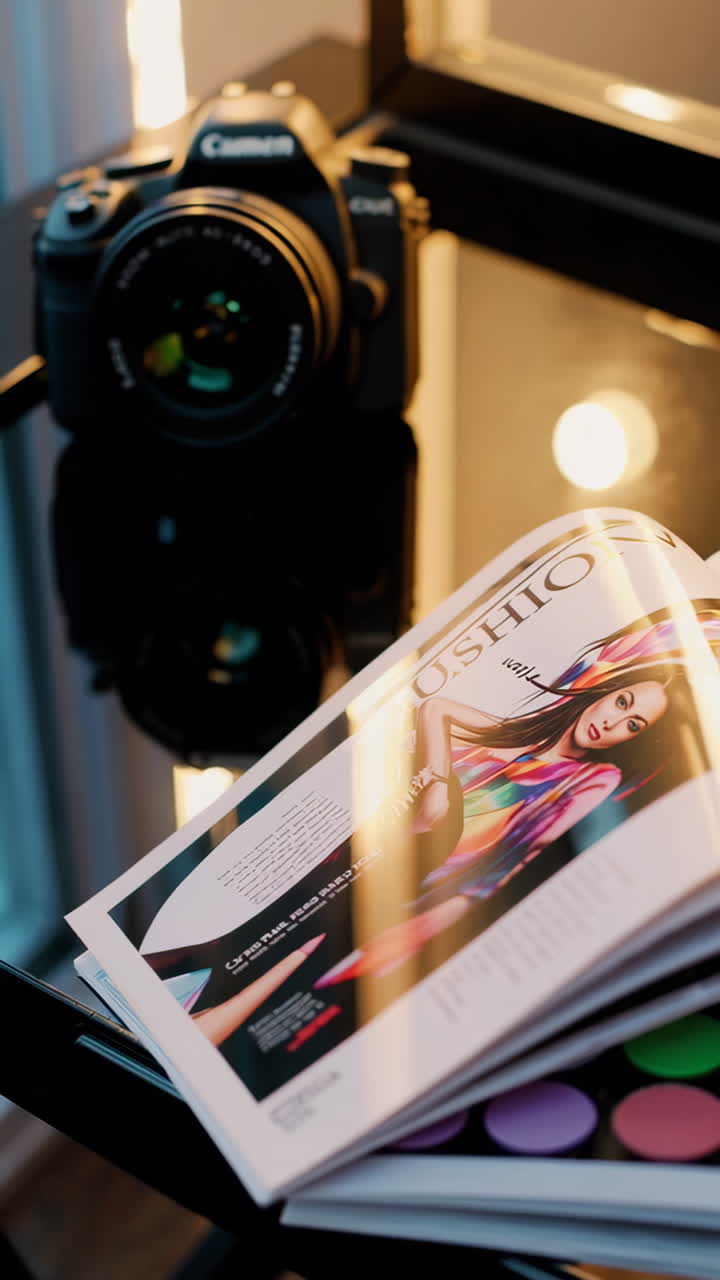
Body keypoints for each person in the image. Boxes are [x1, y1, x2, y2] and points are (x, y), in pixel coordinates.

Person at [314, 605, 720, 986]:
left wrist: (434, 922)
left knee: (331, 969)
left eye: (633, 725)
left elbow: (515, 859)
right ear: (607, 688)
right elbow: (436, 707)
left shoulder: (593, 779)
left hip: (426, 891)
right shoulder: (517, 735)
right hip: (367, 855)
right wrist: (437, 781)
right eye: (622, 701)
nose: (613, 721)